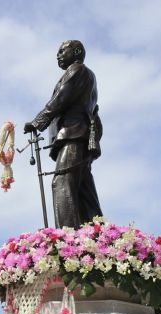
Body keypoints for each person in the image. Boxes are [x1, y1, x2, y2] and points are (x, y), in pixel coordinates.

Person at [24, 39, 103, 229]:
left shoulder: (78, 71)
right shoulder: (82, 74)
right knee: (84, 191)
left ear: (76, 52)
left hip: (74, 135)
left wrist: (38, 122)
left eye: (62, 51)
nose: (58, 55)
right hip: (76, 136)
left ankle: (66, 237)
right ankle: (99, 235)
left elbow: (60, 98)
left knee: (62, 182)